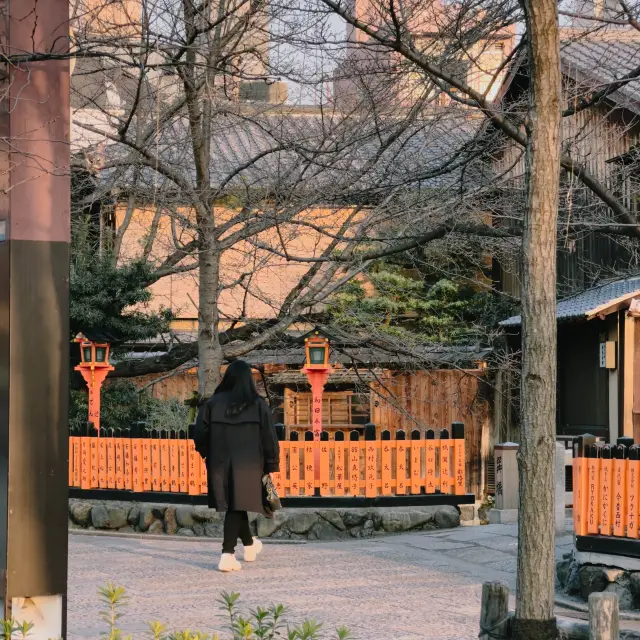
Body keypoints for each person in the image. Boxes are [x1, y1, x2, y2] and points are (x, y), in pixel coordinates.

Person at [193, 360, 280, 572]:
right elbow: (269, 437)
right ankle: (227, 554)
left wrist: (208, 454)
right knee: (236, 504)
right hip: (249, 464)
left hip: (219, 463)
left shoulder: (212, 404)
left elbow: (199, 435)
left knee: (234, 505)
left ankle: (250, 545)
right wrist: (270, 463)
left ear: (228, 378)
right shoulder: (259, 405)